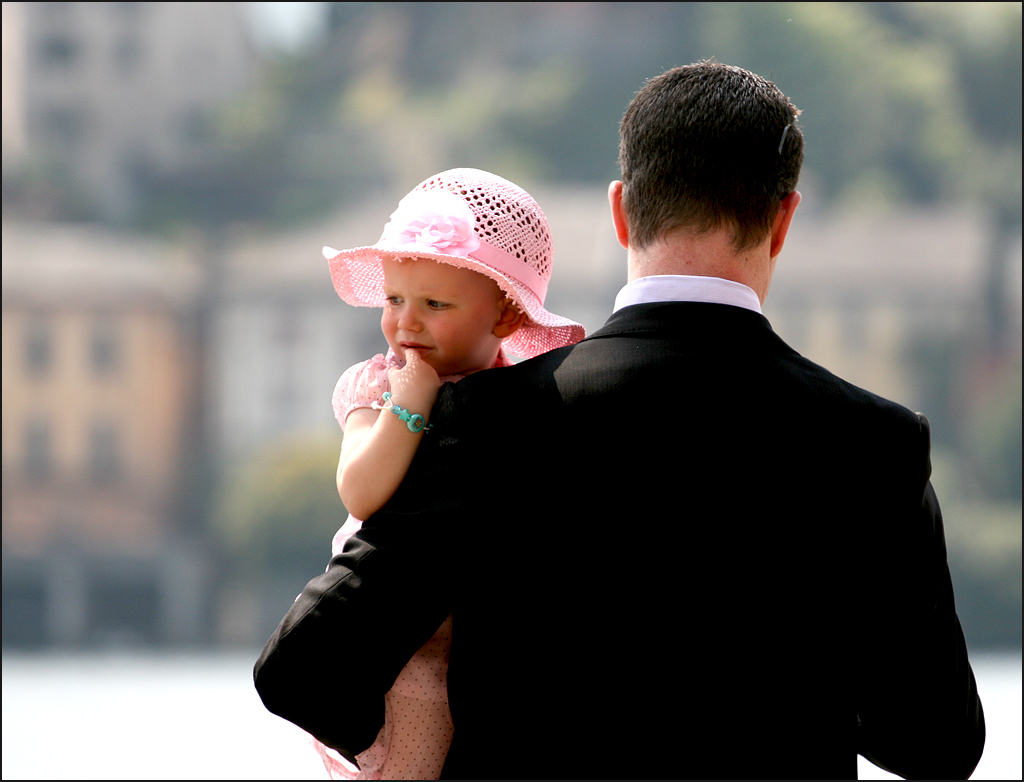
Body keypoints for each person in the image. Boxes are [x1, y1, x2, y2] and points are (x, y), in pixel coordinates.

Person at [255, 61, 985, 779]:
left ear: (620, 213)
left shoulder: (484, 419)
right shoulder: (877, 445)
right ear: (784, 218)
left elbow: (302, 670)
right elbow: (935, 745)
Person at [309, 167, 585, 779]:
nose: (406, 323)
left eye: (434, 305)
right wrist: (409, 408)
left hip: (492, 625)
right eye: (394, 300)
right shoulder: (379, 386)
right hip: (396, 631)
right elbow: (360, 490)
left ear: (505, 316)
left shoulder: (525, 394)